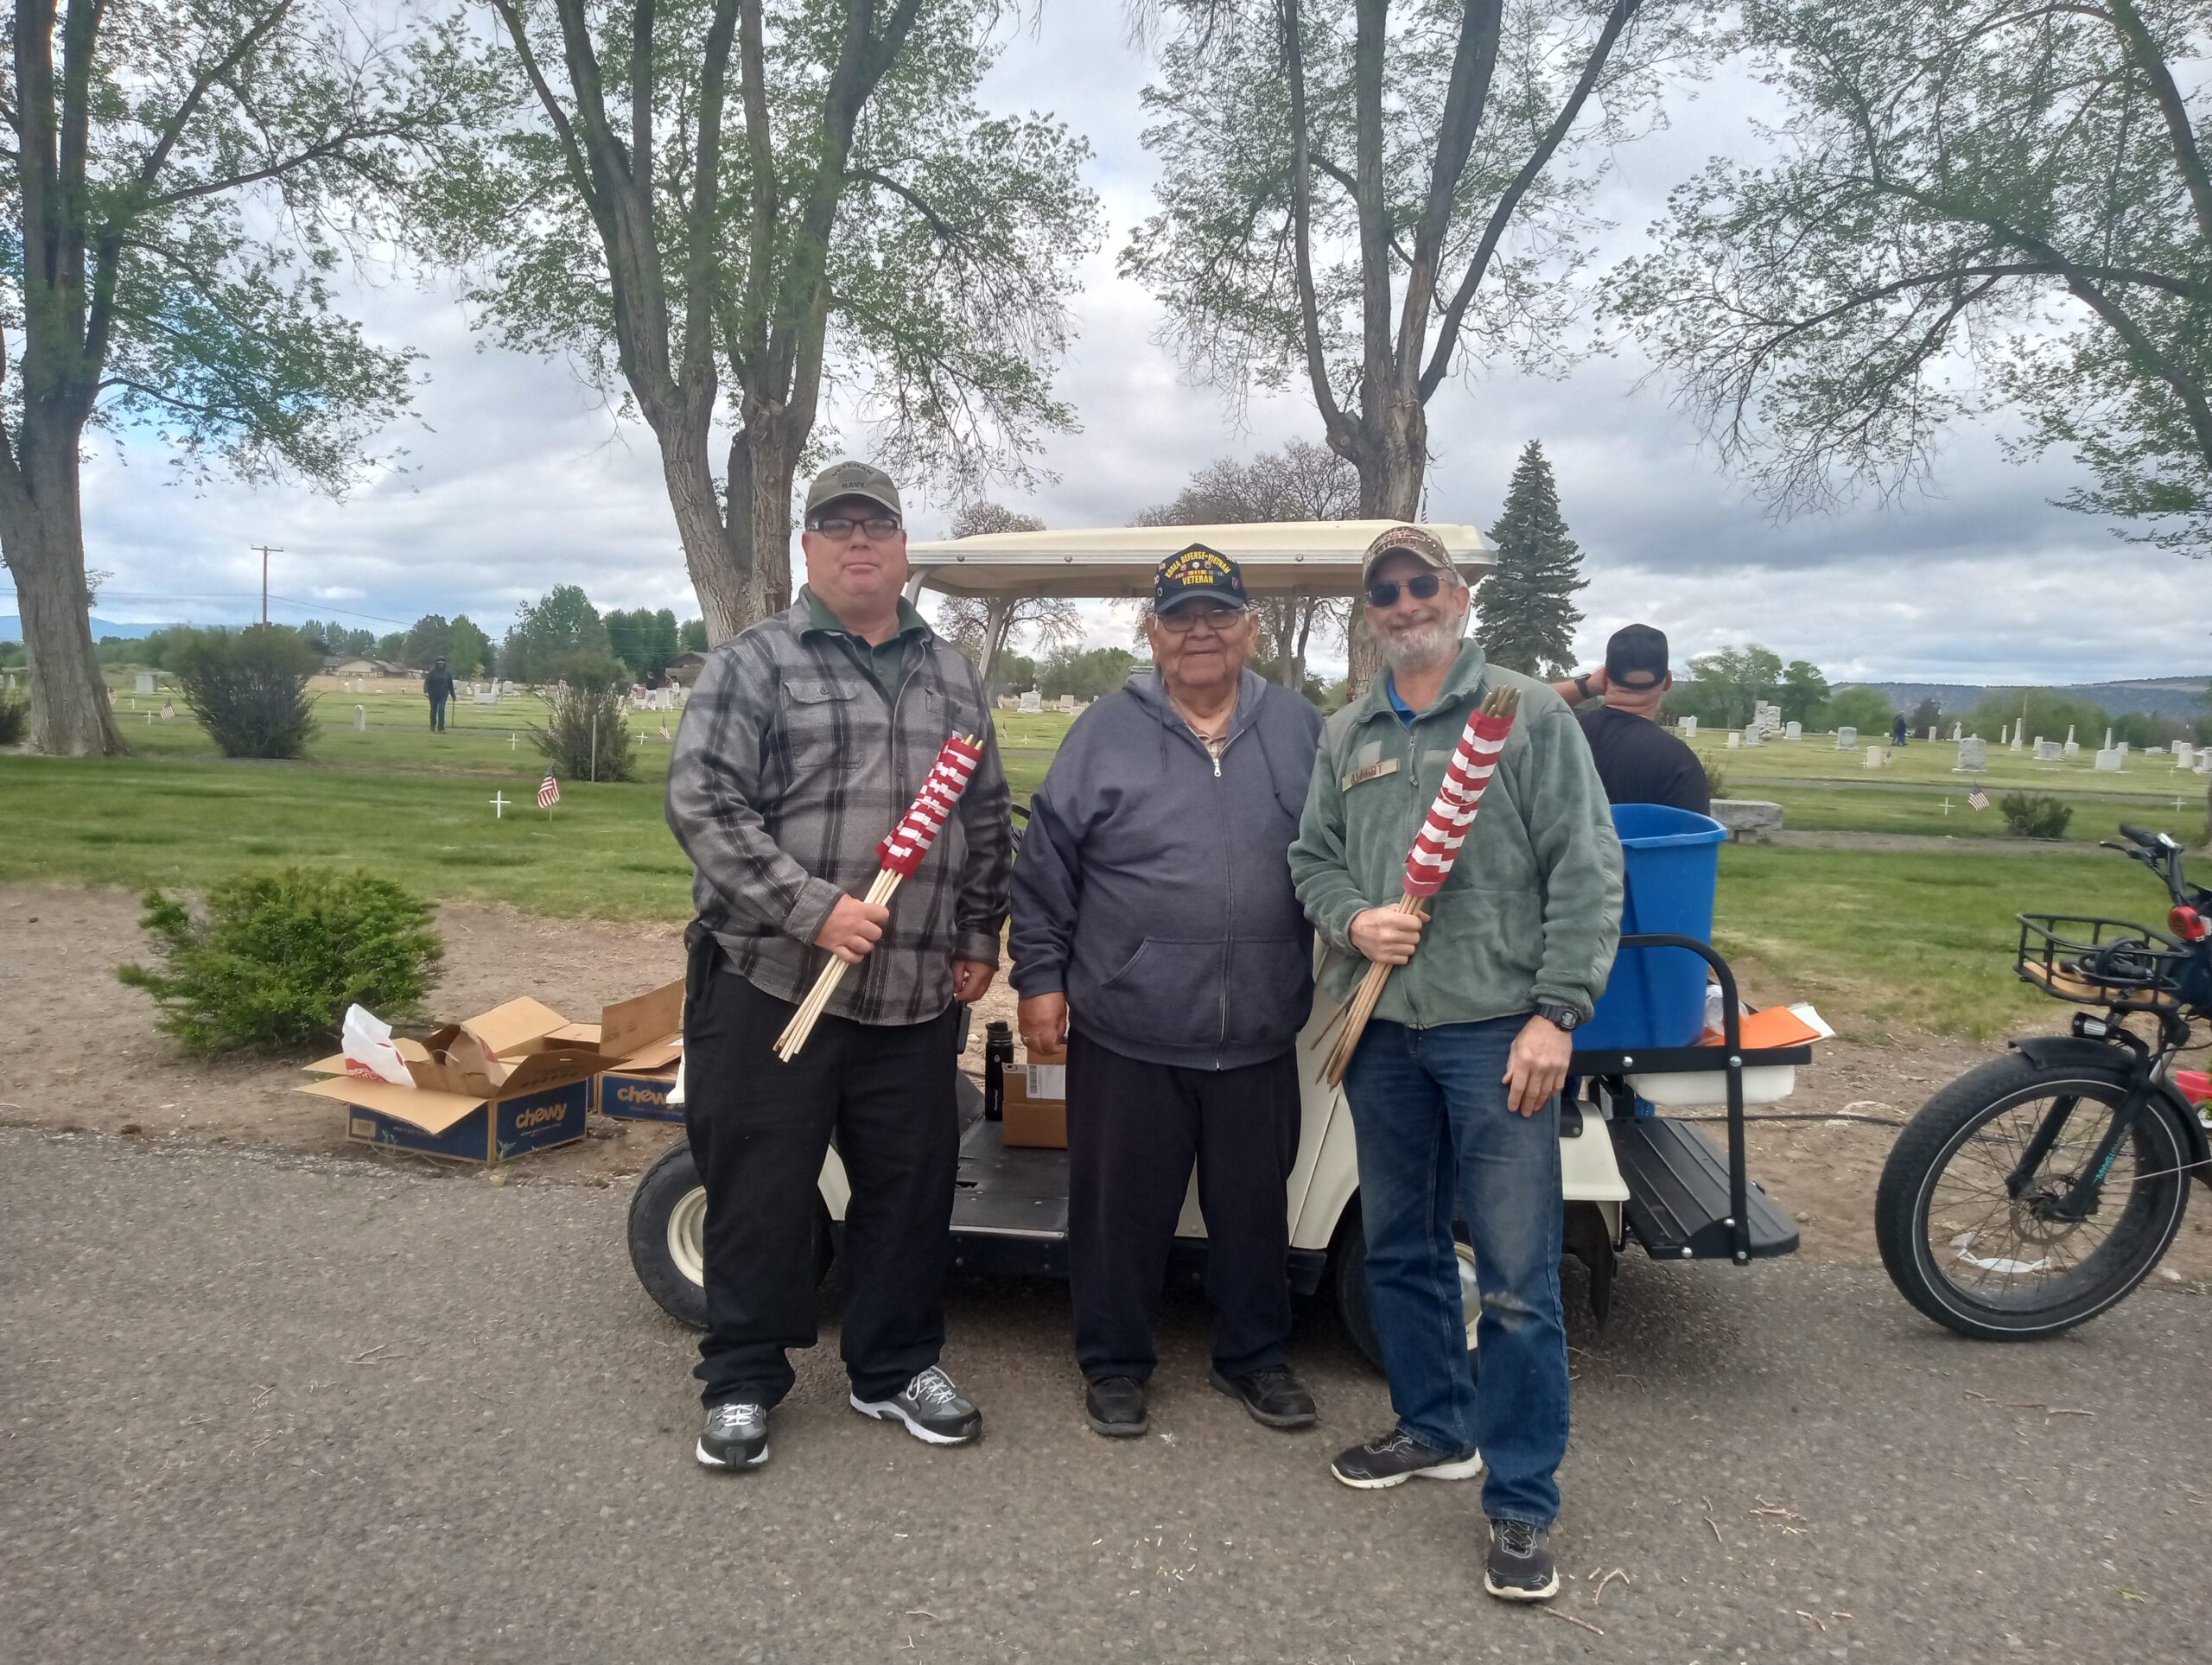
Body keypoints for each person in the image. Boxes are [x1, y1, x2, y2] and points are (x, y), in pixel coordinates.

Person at [1289, 525, 1621, 1604]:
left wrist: (1557, 1014)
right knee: (1400, 1253)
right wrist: (1353, 922)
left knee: (1520, 1282)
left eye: (1417, 582)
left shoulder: (1526, 714)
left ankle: (1521, 1500)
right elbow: (1312, 859)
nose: (1400, 601)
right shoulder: (1349, 730)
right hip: (1381, 1030)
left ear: (1458, 595)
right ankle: (1434, 1428)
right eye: (1383, 588)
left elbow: (1585, 865)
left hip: (1495, 1035)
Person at [664, 459, 1012, 1472]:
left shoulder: (952, 673)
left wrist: (976, 936)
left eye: (878, 527)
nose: (859, 543)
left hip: (911, 1000)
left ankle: (895, 1367)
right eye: (837, 526)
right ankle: (740, 1377)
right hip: (769, 984)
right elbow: (703, 805)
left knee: (909, 1193)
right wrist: (812, 910)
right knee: (760, 1192)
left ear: (904, 552)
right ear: (807, 550)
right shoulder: (752, 662)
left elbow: (983, 817)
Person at [1008, 544, 1325, 1440]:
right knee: (1118, 1216)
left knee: (1256, 1214)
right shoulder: (1104, 730)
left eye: (1219, 615)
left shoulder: (1300, 728)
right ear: (1152, 634)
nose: (1200, 633)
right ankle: (1113, 1363)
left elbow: (1340, 857)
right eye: (1180, 619)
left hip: (1260, 1031)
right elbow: (1045, 869)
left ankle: (1253, 1358)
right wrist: (1040, 979)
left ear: (1249, 629)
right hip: (1128, 1027)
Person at [1548, 625, 1706, 812]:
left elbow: (1521, 699)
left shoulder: (1561, 729)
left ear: (1604, 677)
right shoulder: (1679, 762)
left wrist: (1586, 686)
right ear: (1668, 681)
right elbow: (1694, 837)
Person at [423, 656, 454, 733]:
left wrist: (453, 695)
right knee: (433, 710)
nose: (441, 665)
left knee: (441, 709)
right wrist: (426, 691)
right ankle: (433, 725)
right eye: (439, 663)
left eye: (442, 663)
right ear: (437, 664)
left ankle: (441, 728)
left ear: (444, 664)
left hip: (443, 694)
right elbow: (427, 683)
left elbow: (450, 684)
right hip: (433, 694)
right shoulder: (432, 672)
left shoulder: (447, 673)